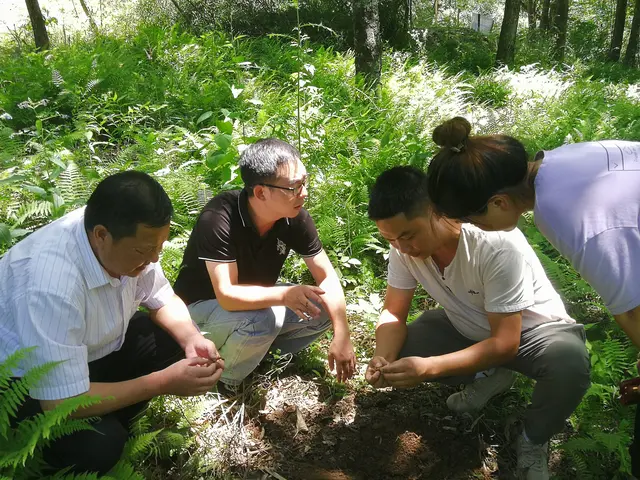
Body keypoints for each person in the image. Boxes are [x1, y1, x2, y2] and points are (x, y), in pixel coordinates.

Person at [425, 116, 640, 475]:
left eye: (475, 221)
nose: (476, 230)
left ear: (499, 202)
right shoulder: (558, 162)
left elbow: (631, 312)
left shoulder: (571, 216)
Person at [364, 166, 590, 480]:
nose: (402, 248)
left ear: (435, 211)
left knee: (569, 365)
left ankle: (533, 439)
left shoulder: (494, 243)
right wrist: (383, 357)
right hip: (469, 325)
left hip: (532, 332)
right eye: (391, 239)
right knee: (408, 345)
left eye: (407, 235)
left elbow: (506, 342)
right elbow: (393, 312)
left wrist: (429, 368)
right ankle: (491, 374)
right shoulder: (402, 249)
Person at [0, 171, 224, 475]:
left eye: (161, 246)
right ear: (101, 235)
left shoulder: (128, 236)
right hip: (24, 384)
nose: (155, 258)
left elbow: (161, 297)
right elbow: (59, 403)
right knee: (102, 445)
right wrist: (161, 382)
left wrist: (191, 338)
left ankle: (116, 417)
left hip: (89, 353)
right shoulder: (51, 285)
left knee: (173, 339)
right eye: (144, 251)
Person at [173, 138, 356, 389]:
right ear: (261, 192)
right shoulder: (219, 217)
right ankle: (223, 383)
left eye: (305, 182)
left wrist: (342, 333)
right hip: (197, 313)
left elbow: (327, 278)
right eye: (293, 187)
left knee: (323, 306)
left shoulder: (294, 217)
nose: (304, 192)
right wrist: (283, 295)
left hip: (254, 309)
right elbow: (227, 295)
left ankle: (258, 357)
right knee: (262, 318)